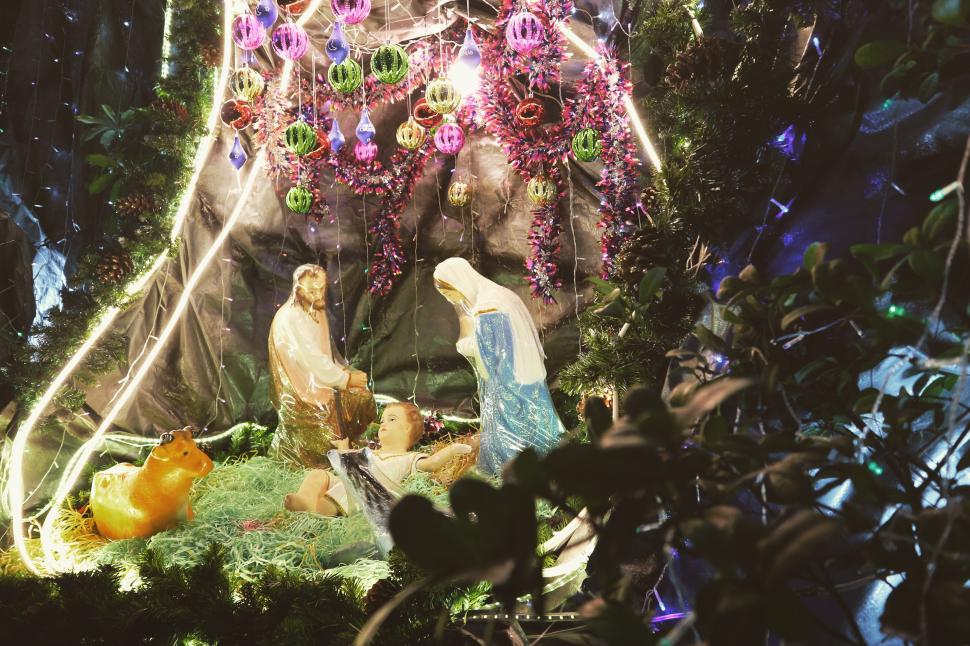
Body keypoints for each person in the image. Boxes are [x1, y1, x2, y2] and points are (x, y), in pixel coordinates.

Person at [433, 257, 565, 475]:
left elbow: (492, 352)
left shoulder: (486, 308)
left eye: (448, 292)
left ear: (459, 282)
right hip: (525, 375)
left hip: (507, 382)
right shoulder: (501, 296)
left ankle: (512, 471)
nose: (449, 299)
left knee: (510, 429)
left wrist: (465, 345)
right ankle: (542, 464)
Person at [268, 264, 375, 466]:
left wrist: (344, 371)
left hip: (322, 382)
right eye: (312, 290)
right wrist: (345, 379)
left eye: (322, 288)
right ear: (298, 290)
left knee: (362, 396)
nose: (318, 294)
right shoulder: (292, 317)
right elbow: (312, 359)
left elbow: (326, 354)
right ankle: (330, 459)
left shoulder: (316, 311)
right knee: (352, 400)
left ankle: (349, 450)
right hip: (303, 390)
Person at [283, 402, 472, 516]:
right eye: (382, 421)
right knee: (318, 474)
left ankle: (312, 508)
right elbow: (348, 463)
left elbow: (431, 464)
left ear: (407, 428)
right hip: (347, 483)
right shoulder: (369, 453)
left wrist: (453, 449)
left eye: (392, 419)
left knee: (333, 503)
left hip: (363, 494)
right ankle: (306, 499)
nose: (383, 424)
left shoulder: (409, 458)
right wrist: (343, 447)